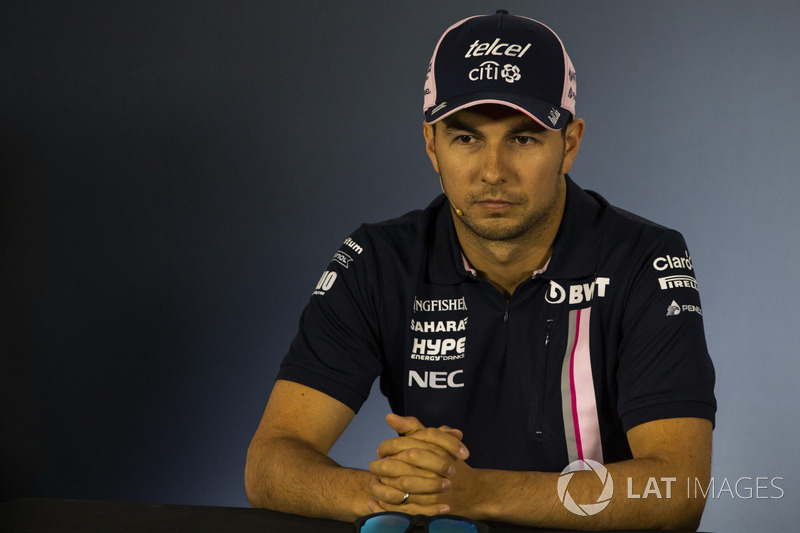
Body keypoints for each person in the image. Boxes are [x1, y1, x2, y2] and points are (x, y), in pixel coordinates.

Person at [244, 10, 716, 531]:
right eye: (466, 138)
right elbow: (270, 463)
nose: (493, 171)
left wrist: (472, 492)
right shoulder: (379, 261)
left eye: (524, 138)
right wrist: (380, 489)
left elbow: (679, 490)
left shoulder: (644, 259)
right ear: (432, 145)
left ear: (570, 144)